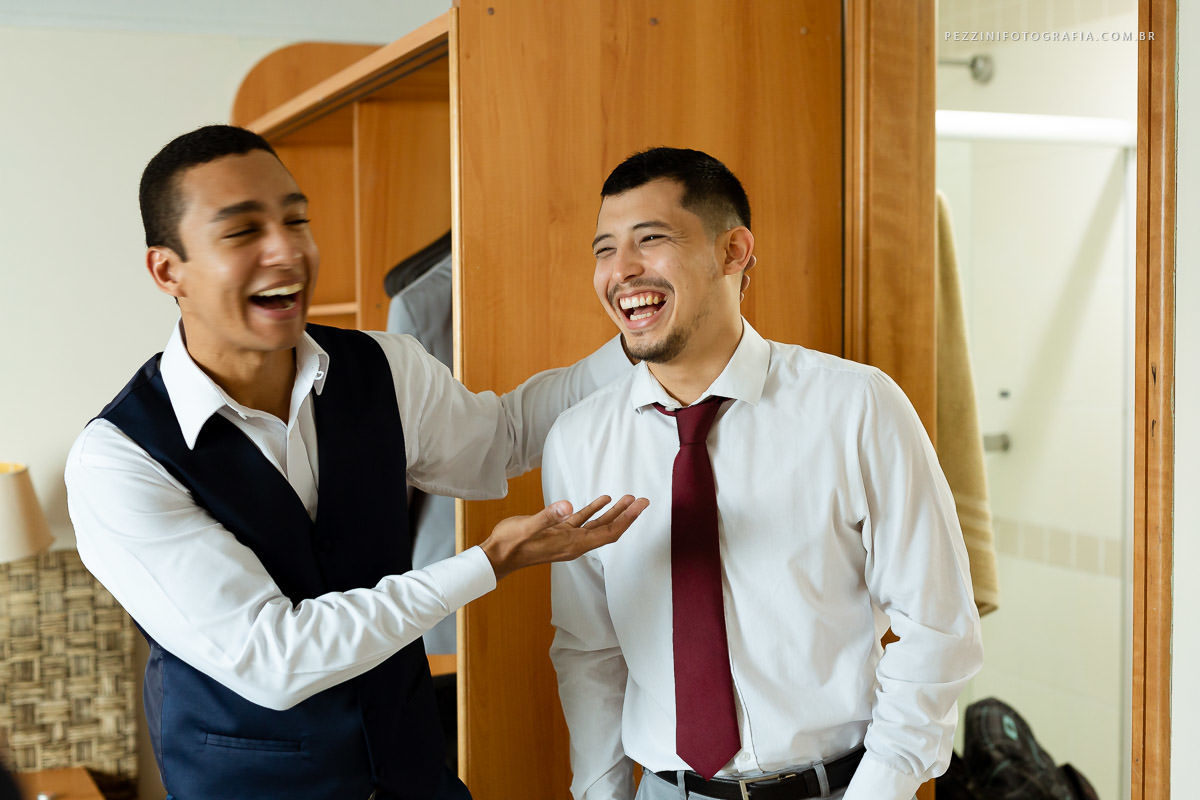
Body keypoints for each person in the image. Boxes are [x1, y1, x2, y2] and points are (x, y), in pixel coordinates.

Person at [64, 125, 647, 800]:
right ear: (168, 271)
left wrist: (635, 345)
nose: (286, 250)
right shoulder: (119, 460)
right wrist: (488, 562)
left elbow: (503, 435)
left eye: (296, 219)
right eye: (243, 231)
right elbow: (275, 657)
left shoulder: (384, 369)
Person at [545, 147, 983, 800]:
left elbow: (937, 626)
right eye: (604, 250)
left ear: (733, 251)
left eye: (650, 240)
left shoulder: (855, 407)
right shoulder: (578, 441)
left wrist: (880, 789)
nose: (621, 271)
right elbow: (589, 649)